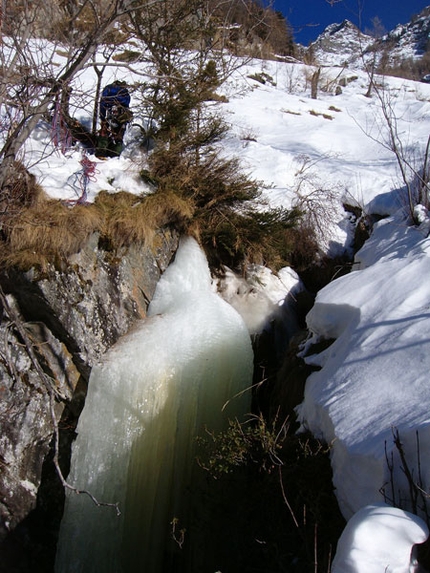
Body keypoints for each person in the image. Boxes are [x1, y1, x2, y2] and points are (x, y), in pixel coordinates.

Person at [96, 80, 133, 158]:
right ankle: (115, 153)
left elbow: (102, 103)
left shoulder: (108, 89)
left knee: (104, 130)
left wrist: (102, 117)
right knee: (119, 133)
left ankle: (101, 151)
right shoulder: (125, 93)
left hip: (109, 112)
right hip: (121, 115)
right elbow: (126, 105)